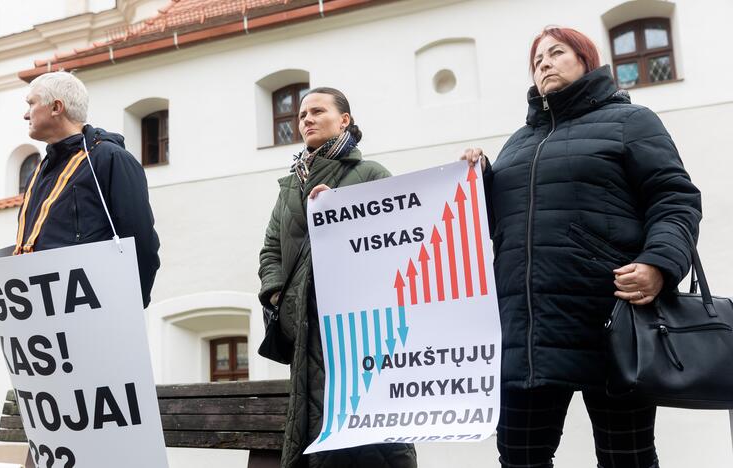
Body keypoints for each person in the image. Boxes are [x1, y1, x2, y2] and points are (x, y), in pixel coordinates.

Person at [462, 27, 701, 468]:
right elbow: (501, 226)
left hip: (612, 322)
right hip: (526, 333)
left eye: (556, 53)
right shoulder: (517, 142)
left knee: (624, 458)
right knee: (519, 458)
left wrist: (659, 264)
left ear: (586, 60)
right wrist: (477, 180)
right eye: (537, 61)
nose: (545, 64)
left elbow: (674, 199)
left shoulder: (632, 121)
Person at [258, 87, 417, 468]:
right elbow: (270, 252)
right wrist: (280, 296)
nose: (306, 119)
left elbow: (401, 239)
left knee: (372, 442)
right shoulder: (290, 187)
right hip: (305, 335)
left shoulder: (370, 174)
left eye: (317, 111)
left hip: (361, 333)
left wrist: (342, 210)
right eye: (301, 115)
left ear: (344, 120)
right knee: (317, 438)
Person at [17, 71, 160, 307]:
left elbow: (140, 242)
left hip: (93, 313)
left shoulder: (110, 159)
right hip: (43, 313)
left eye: (31, 104)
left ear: (56, 107)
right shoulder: (38, 173)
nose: (25, 115)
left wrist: (130, 306)